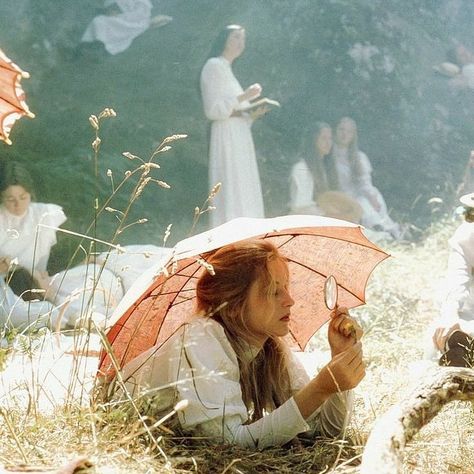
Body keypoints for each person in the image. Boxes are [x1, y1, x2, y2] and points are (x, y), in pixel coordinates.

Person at [111, 239, 365, 448]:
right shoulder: (202, 338)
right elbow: (227, 444)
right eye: (273, 292)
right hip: (119, 426)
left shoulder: (269, 347)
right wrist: (320, 388)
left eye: (286, 288)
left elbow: (325, 434)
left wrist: (340, 359)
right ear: (233, 306)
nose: (290, 301)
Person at [200, 25, 266, 228]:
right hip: (226, 134)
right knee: (231, 184)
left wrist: (253, 112)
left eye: (243, 39)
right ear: (224, 40)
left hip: (240, 134)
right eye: (236, 37)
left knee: (244, 184)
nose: (240, 42)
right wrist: (245, 96)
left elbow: (237, 109)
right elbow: (213, 110)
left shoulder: (228, 70)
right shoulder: (214, 65)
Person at [425, 192, 474, 367]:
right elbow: (457, 279)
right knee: (441, 334)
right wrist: (449, 314)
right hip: (470, 314)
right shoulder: (466, 236)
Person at [331, 117, 402, 238]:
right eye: (341, 130)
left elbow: (364, 184)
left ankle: (385, 230)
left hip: (361, 195)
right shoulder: (329, 156)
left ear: (353, 135)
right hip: (340, 197)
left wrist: (371, 197)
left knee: (365, 202)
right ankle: (379, 232)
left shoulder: (359, 157)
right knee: (358, 203)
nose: (344, 134)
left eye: (349, 131)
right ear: (335, 131)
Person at [2, 261, 124, 331]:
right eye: (42, 277)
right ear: (36, 291)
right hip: (121, 284)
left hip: (113, 267)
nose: (45, 273)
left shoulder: (57, 283)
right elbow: (103, 316)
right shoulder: (63, 308)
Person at [0, 161, 67, 274]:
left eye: (23, 197)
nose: (18, 204)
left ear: (30, 193)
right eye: (11, 199)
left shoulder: (45, 214)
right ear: (1, 197)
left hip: (38, 283)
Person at [289, 122, 363, 224]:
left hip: (325, 221)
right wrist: (336, 218)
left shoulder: (327, 169)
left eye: (330, 138)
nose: (328, 143)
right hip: (304, 223)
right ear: (313, 141)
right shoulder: (302, 168)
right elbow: (301, 208)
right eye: (323, 138)